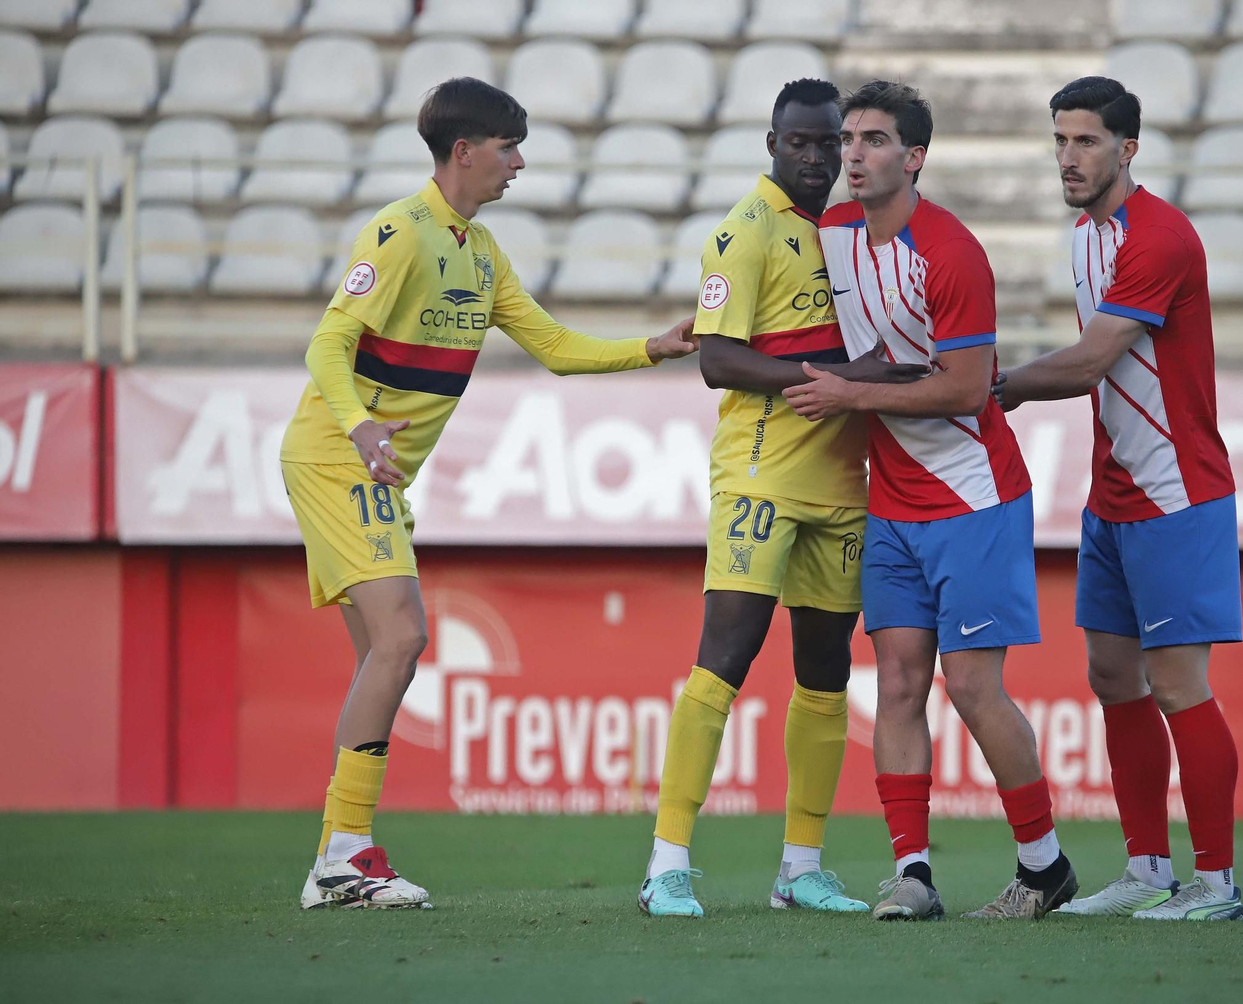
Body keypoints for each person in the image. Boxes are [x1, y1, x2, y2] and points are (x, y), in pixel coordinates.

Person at [282, 77, 696, 909]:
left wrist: (652, 348)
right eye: (508, 147)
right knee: (403, 640)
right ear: (463, 151)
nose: (520, 163)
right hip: (337, 457)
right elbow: (328, 345)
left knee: (383, 654)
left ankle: (340, 854)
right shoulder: (400, 233)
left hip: (369, 466)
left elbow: (556, 346)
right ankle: (342, 858)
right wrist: (362, 428)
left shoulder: (479, 250)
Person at [784, 80, 1078, 921]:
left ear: (914, 158)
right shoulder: (833, 232)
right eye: (848, 139)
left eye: (873, 140)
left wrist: (847, 396)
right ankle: (912, 873)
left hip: (975, 499)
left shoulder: (949, 251)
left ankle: (1043, 866)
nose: (852, 154)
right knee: (900, 682)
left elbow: (963, 387)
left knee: (974, 687)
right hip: (893, 507)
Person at [639, 79, 920, 919]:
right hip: (760, 476)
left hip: (841, 485)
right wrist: (832, 379)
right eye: (799, 142)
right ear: (772, 144)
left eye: (830, 143)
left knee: (826, 676)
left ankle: (800, 866)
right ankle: (666, 862)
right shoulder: (743, 232)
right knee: (723, 659)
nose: (817, 157)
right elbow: (719, 359)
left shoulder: (846, 233)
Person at [994, 76, 1243, 921]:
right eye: (1060, 140)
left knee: (1179, 685)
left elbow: (1094, 359)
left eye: (1086, 141)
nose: (1068, 157)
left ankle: (1217, 884)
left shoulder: (1161, 237)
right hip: (1112, 497)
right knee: (1112, 676)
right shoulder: (1081, 237)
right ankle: (1147, 869)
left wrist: (996, 386)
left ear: (1127, 148)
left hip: (1177, 494)